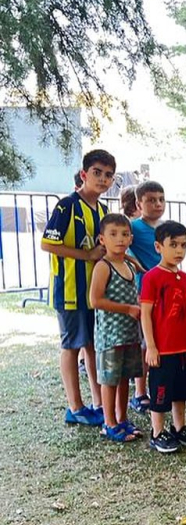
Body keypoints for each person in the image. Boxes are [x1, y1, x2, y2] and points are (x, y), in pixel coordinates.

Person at [41, 149, 115, 426]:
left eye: (108, 175)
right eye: (97, 172)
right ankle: (75, 406)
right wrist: (85, 256)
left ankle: (98, 402)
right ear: (84, 174)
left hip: (95, 293)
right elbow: (47, 243)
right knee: (71, 346)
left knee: (93, 345)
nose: (102, 179)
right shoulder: (67, 205)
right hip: (69, 289)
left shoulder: (104, 211)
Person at [140, 220, 186, 453]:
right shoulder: (152, 277)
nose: (179, 251)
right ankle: (157, 432)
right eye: (173, 244)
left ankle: (180, 428)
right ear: (159, 246)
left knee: (182, 391)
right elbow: (145, 314)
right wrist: (151, 347)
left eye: (184, 245)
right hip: (163, 348)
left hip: (184, 348)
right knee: (160, 392)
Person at [88, 213, 144, 442]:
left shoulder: (128, 264)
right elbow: (95, 300)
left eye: (124, 234)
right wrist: (127, 309)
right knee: (109, 380)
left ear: (131, 238)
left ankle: (122, 418)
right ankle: (108, 422)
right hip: (111, 335)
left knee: (124, 378)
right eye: (113, 234)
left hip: (130, 334)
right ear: (102, 239)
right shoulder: (103, 267)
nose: (119, 239)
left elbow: (141, 272)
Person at [129, 180, 167, 414]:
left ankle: (158, 386)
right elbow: (119, 247)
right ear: (139, 203)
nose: (157, 204)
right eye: (151, 200)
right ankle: (139, 392)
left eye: (161, 199)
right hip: (144, 294)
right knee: (145, 344)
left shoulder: (166, 228)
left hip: (167, 294)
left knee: (161, 342)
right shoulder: (133, 227)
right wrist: (135, 263)